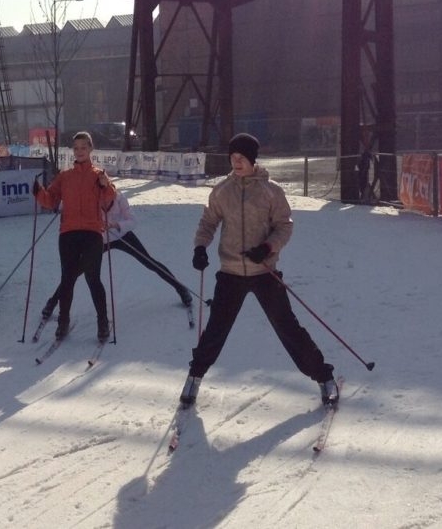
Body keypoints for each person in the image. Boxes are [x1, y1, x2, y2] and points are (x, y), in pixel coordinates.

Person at [179, 133, 339, 407]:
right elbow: (208, 223)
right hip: (230, 272)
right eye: (232, 157)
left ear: (253, 159)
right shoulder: (221, 190)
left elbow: (284, 226)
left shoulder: (270, 191)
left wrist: (267, 248)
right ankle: (194, 377)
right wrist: (200, 248)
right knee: (216, 330)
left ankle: (324, 377)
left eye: (241, 157)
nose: (236, 162)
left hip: (264, 272)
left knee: (288, 328)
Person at [40, 192, 193, 318]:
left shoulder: (119, 198)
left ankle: (181, 289)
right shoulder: (90, 198)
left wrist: (116, 225)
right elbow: (70, 203)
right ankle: (52, 302)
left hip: (122, 236)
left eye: (108, 192)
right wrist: (63, 205)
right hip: (100, 240)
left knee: (149, 262)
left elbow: (133, 221)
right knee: (74, 272)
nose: (105, 197)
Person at [33, 131, 116, 341]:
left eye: (83, 147)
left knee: (92, 278)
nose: (79, 151)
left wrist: (106, 186)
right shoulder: (65, 176)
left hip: (92, 233)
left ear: (90, 149)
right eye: (76, 148)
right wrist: (38, 192)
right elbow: (50, 200)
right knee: (68, 279)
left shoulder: (98, 175)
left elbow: (109, 201)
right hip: (68, 233)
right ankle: (63, 322)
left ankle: (102, 322)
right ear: (73, 151)